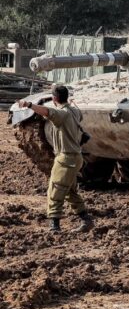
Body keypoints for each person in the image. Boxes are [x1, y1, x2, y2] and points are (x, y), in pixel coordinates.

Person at [18, 85, 94, 233]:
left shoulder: (61, 114)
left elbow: (47, 111)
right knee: (70, 190)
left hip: (66, 158)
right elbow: (72, 113)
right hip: (76, 157)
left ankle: (54, 226)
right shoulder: (74, 111)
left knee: (55, 189)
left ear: (54, 99)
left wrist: (29, 104)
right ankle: (86, 220)